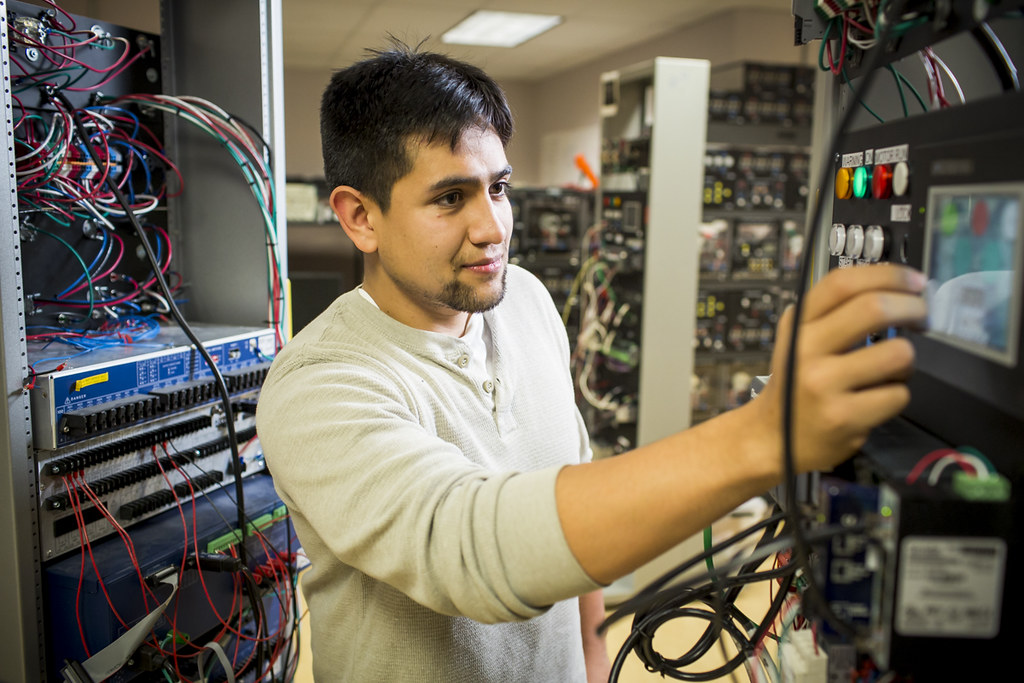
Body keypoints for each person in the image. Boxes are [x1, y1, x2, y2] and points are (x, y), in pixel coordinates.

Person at [255, 43, 928, 683]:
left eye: (499, 188)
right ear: (359, 217)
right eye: (450, 198)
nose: (492, 228)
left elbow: (572, 477)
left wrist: (592, 652)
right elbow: (473, 549)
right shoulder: (318, 386)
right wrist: (762, 434)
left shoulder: (527, 303)